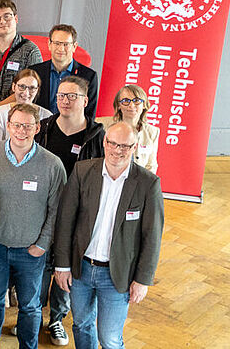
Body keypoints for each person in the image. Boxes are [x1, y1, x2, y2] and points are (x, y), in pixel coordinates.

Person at [52, 122, 163, 349]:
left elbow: (152, 237)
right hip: (80, 269)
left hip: (117, 274)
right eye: (112, 143)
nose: (117, 150)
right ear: (104, 142)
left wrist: (142, 280)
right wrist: (61, 265)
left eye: (124, 146)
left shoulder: (147, 183)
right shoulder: (83, 171)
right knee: (81, 325)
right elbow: (65, 222)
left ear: (134, 147)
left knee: (110, 339)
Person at [0, 103, 67, 349]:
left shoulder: (52, 165)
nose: (21, 130)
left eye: (27, 125)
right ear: (7, 126)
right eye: (16, 125)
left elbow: (57, 210)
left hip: (31, 250)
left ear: (37, 128)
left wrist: (42, 245)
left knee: (30, 306)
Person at [32, 76, 104, 344]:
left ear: (85, 101)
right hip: (43, 211)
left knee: (67, 272)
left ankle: (56, 320)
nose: (65, 100)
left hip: (78, 215)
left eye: (72, 96)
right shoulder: (44, 129)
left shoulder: (96, 136)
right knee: (39, 270)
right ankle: (34, 315)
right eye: (61, 95)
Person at [30, 24, 100, 116]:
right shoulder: (35, 72)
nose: (61, 49)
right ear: (49, 44)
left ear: (74, 46)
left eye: (66, 44)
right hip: (40, 127)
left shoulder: (88, 76)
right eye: (57, 43)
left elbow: (89, 115)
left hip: (72, 129)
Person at [95, 84, 158, 173]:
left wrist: (145, 185)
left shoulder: (153, 132)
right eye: (125, 101)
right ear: (119, 106)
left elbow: (151, 166)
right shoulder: (102, 125)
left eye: (136, 101)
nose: (131, 105)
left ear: (144, 104)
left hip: (137, 181)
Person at [0, 69, 53, 142]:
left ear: (37, 90)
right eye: (22, 87)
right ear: (14, 87)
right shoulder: (0, 112)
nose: (26, 93)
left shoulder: (47, 116)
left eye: (32, 88)